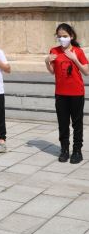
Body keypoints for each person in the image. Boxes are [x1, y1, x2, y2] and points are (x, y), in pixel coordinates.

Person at [45, 23, 89, 164]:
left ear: (71, 36)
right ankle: (64, 150)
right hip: (61, 93)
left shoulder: (78, 51)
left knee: (77, 123)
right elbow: (52, 71)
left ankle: (77, 151)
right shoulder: (54, 50)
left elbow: (86, 71)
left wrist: (74, 58)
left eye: (65, 36)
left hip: (76, 92)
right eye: (60, 36)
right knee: (63, 123)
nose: (62, 39)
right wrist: (47, 61)